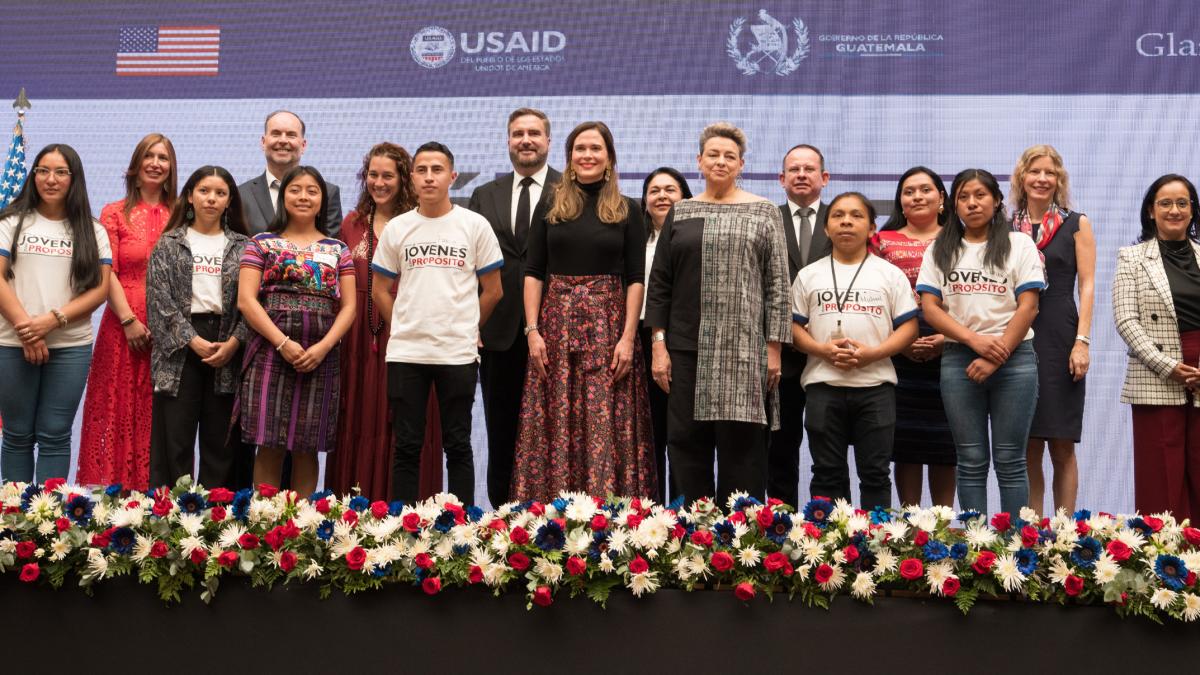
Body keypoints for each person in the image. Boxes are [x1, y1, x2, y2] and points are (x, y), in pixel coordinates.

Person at [646, 122, 790, 506]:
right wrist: (659, 345)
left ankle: (740, 543)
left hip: (744, 352)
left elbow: (778, 284)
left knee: (743, 454)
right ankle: (688, 547)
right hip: (686, 351)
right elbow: (660, 284)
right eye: (713, 154)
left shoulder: (763, 212)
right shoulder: (682, 211)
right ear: (699, 161)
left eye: (729, 156)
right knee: (686, 449)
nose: (721, 161)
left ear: (741, 164)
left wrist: (773, 348)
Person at [511, 121, 655, 502]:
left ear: (609, 158)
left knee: (606, 421)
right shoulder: (550, 204)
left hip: (609, 330)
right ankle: (551, 516)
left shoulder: (628, 209)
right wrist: (532, 331)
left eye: (595, 148)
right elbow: (533, 272)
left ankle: (609, 515)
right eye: (580, 149)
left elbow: (636, 279)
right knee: (554, 419)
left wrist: (627, 338)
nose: (587, 155)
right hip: (554, 327)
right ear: (569, 157)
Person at [371, 142, 503, 505]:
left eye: (437, 170)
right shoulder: (398, 227)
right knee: (407, 446)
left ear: (452, 177)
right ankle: (402, 530)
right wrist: (400, 326)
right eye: (422, 170)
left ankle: (462, 528)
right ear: (411, 178)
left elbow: (493, 290)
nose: (429, 177)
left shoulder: (474, 225)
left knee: (458, 444)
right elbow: (379, 289)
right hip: (407, 351)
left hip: (456, 351)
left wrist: (470, 326)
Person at [917, 169, 1044, 516]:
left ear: (997, 200)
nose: (972, 203)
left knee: (1011, 459)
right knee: (970, 459)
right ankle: (977, 549)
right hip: (960, 359)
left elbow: (1029, 306)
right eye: (963, 196)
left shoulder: (1019, 244)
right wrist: (974, 341)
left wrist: (996, 354)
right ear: (953, 204)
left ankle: (1017, 549)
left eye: (980, 195)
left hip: (1015, 360)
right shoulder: (940, 248)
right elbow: (930, 307)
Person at [328, 142, 443, 501]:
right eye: (372, 175)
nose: (379, 183)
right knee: (358, 420)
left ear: (403, 179)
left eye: (387, 176)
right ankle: (354, 511)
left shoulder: (421, 223)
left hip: (412, 338)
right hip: (359, 341)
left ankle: (407, 511)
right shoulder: (352, 224)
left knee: (407, 425)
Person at [791, 192, 918, 510]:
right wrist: (821, 349)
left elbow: (909, 329)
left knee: (875, 474)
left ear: (873, 228)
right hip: (823, 385)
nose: (846, 221)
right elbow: (793, 328)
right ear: (826, 228)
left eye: (856, 215)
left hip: (875, 387)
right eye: (838, 215)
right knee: (826, 474)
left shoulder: (890, 274)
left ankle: (876, 550)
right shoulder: (809, 275)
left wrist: (872, 354)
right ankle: (829, 550)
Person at [237, 166, 356, 496]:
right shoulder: (261, 243)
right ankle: (265, 524)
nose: (303, 196)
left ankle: (302, 529)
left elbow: (349, 308)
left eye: (312, 191)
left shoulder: (338, 249)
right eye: (295, 190)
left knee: (308, 445)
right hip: (269, 352)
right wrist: (282, 342)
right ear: (283, 197)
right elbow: (247, 301)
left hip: (321, 355)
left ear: (322, 200)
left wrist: (323, 348)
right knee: (270, 443)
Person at [0, 144, 111, 483]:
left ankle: (49, 526)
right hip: (11, 343)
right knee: (17, 434)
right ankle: (14, 522)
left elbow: (100, 289)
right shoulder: (11, 221)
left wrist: (51, 321)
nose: (51, 179)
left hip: (70, 346)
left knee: (55, 435)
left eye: (60, 172)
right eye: (43, 171)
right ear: (32, 176)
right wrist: (26, 329)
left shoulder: (93, 230)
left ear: (73, 178)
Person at [468, 108, 561, 508]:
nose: (526, 140)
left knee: (556, 430)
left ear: (548, 141)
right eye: (518, 133)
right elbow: (468, 264)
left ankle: (558, 515)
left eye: (534, 133)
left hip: (556, 330)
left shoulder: (569, 188)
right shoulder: (484, 195)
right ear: (508, 141)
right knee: (501, 429)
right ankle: (503, 516)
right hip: (498, 332)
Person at [76, 133, 176, 490]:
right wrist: (129, 321)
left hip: (168, 331)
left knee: (157, 412)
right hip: (121, 327)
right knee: (115, 408)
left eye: (163, 157)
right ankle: (110, 497)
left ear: (171, 168)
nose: (155, 163)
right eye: (149, 156)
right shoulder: (114, 212)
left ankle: (154, 498)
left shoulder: (180, 213)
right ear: (135, 165)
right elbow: (108, 274)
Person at [146, 166, 249, 488]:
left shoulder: (244, 247)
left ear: (229, 200)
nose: (211, 199)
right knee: (174, 439)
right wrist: (192, 339)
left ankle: (218, 518)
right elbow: (158, 300)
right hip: (179, 350)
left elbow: (254, 303)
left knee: (221, 442)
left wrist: (234, 342)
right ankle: (171, 519)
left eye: (220, 193)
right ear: (190, 195)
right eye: (204, 191)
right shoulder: (169, 243)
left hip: (227, 346)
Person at [1010, 145, 1095, 515]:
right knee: (1027, 443)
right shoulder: (1006, 227)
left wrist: (1082, 342)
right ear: (1022, 178)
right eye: (1035, 171)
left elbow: (1087, 285)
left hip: (1061, 334)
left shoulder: (1078, 223)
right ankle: (1032, 532)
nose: (1042, 179)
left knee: (1061, 444)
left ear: (1059, 180)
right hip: (1017, 335)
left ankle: (1065, 534)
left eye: (1050, 172)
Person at [1114, 174, 1200, 520]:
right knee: (1159, 477)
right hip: (1157, 377)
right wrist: (1166, 365)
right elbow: (1126, 320)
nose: (1175, 210)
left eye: (1183, 202)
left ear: (1193, 210)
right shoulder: (1131, 258)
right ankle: (1166, 565)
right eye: (1166, 203)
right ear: (1151, 210)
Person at [872, 167, 957, 507]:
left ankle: (941, 527)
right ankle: (910, 531)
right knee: (905, 444)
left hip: (952, 351)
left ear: (941, 198)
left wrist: (947, 339)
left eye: (926, 190)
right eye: (909, 191)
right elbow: (872, 297)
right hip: (897, 355)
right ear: (900, 200)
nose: (917, 196)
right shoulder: (881, 241)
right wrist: (901, 342)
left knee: (944, 445)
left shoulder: (961, 239)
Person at [771, 144, 832, 507]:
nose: (801, 175)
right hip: (781, 356)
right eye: (793, 169)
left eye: (810, 169)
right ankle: (781, 527)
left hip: (830, 356)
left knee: (828, 451)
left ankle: (824, 528)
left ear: (824, 178)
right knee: (780, 450)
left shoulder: (841, 219)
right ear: (781, 179)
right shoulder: (765, 217)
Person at [640, 167, 692, 503]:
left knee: (683, 435)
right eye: (654, 190)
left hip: (683, 341)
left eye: (670, 189)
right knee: (647, 435)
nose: (662, 196)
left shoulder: (693, 237)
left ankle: (683, 512)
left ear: (685, 197)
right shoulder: (633, 239)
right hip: (639, 341)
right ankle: (650, 514)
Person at [239, 110, 343, 236]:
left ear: (303, 145)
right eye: (276, 134)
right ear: (263, 142)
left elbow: (330, 247)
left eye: (291, 135)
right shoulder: (240, 195)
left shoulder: (328, 193)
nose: (283, 140)